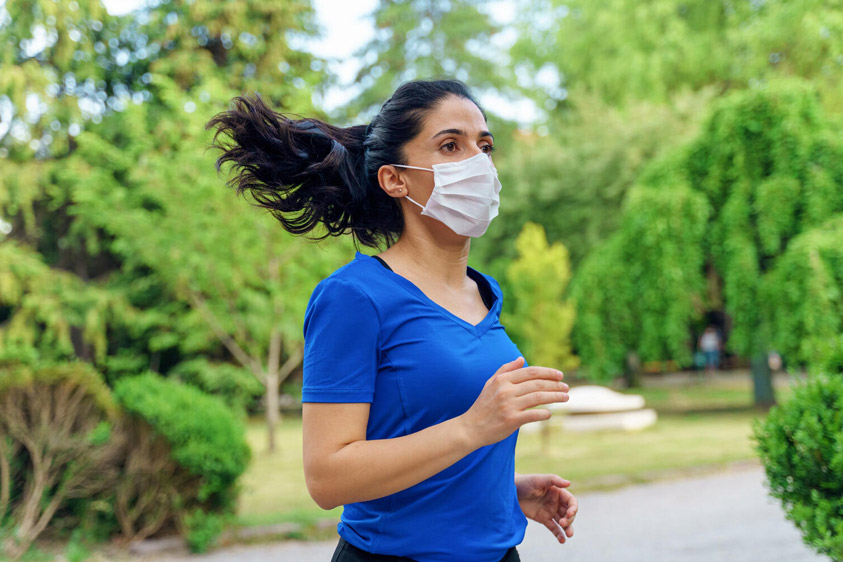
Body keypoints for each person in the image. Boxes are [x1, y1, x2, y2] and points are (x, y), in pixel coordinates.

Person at [208, 79, 578, 561]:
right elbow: (327, 477)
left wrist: (502, 489)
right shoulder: (353, 297)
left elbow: (423, 433)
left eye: (484, 146)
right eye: (451, 145)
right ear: (394, 179)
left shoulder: (483, 294)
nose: (478, 162)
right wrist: (473, 428)